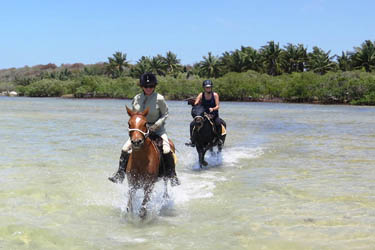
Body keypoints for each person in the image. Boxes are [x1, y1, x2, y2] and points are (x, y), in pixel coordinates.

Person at [109, 72, 180, 186]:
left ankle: (172, 175)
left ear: (154, 86)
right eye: (146, 86)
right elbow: (134, 115)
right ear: (142, 87)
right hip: (140, 131)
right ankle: (120, 173)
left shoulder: (160, 99)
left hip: (157, 129)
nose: (148, 88)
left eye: (151, 86)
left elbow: (165, 114)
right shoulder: (136, 98)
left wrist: (156, 125)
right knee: (125, 148)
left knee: (167, 149)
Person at [186, 80, 223, 147]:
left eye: (209, 87)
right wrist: (194, 103)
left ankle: (219, 139)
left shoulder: (215, 95)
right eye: (207, 87)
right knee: (192, 124)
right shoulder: (201, 94)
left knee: (218, 123)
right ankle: (192, 140)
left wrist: (213, 109)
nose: (208, 88)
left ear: (211, 87)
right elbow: (196, 103)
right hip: (203, 115)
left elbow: (218, 106)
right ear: (204, 88)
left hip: (213, 115)